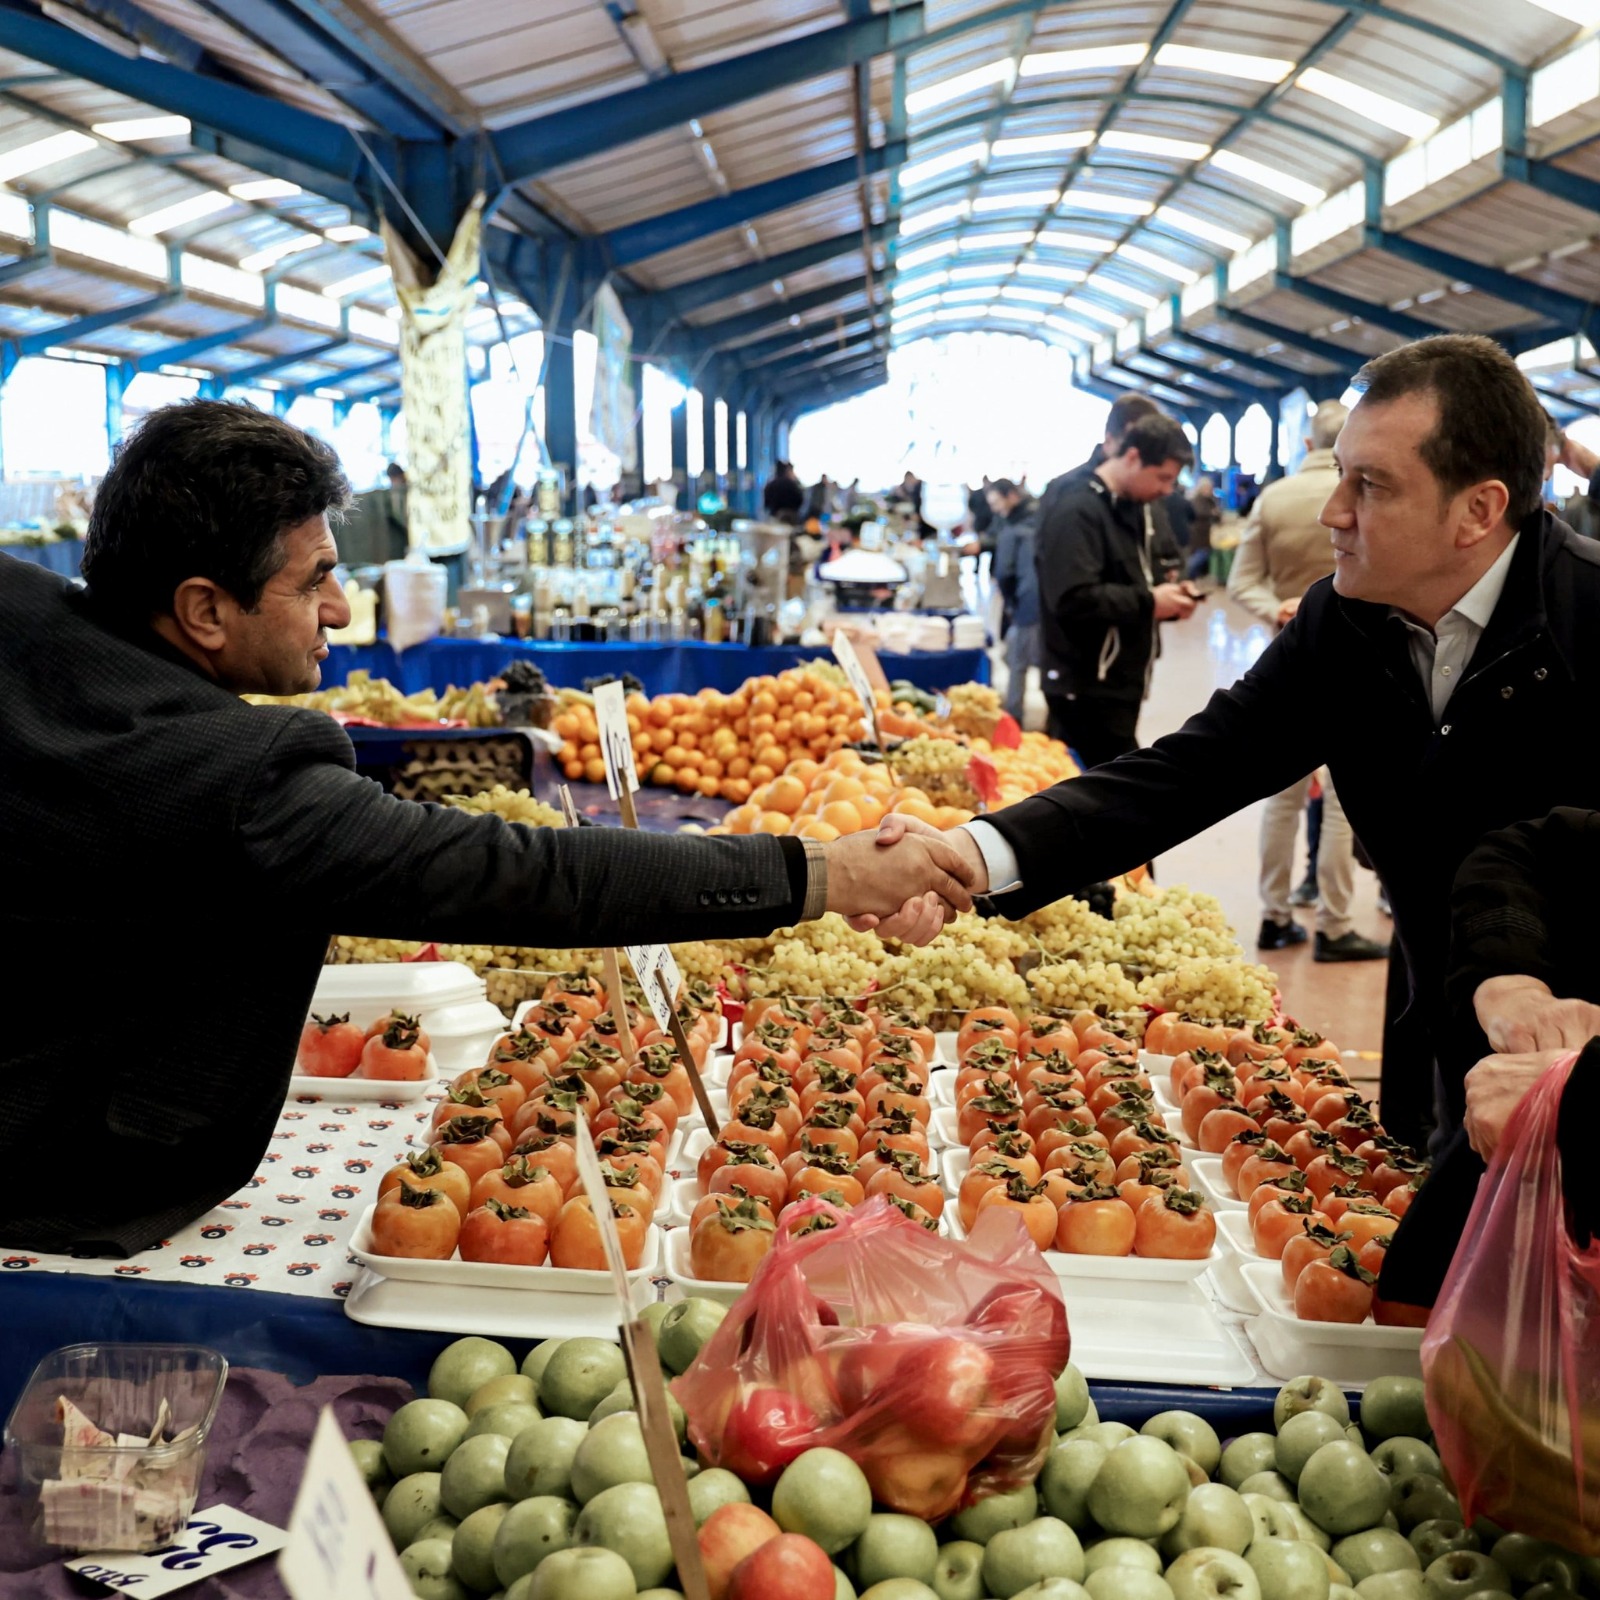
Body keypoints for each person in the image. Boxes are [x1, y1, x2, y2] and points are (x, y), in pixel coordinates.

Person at [0, 402, 979, 1255]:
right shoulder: (237, 776)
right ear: (204, 610)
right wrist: (820, 875)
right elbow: (515, 871)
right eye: (314, 581)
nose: (342, 608)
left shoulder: (25, 622)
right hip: (64, 1185)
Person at [880, 332, 1600, 1246]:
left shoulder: (1589, 626)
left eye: (1371, 486)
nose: (1333, 511)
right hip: (1435, 1025)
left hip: (1575, 1076)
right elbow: (1189, 770)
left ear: (1478, 510)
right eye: (1341, 474)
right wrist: (974, 853)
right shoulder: (1348, 624)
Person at [1229, 400, 1386, 964]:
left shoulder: (1274, 497)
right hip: (1363, 655)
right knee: (1344, 802)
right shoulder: (1374, 496)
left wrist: (1279, 610)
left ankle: (1273, 916)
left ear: (1303, 444)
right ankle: (1335, 923)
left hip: (1285, 657)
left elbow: (1241, 581)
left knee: (1281, 796)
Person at [1033, 412, 1197, 766]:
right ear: (1133, 456)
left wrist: (1166, 593)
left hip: (1117, 678)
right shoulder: (1077, 508)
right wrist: (1150, 601)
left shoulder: (1129, 506)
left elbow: (1132, 576)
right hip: (1086, 684)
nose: (1167, 490)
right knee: (1110, 795)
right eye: (1163, 477)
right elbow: (1072, 597)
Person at [988, 478, 1041, 724]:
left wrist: (1011, 602)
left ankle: (1013, 718)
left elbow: (1005, 572)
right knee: (1017, 655)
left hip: (1026, 601)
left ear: (1011, 495)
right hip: (1043, 599)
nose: (996, 509)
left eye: (997, 503)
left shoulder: (1015, 528)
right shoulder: (1041, 516)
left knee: (1017, 662)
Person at [1186, 476, 1221, 581]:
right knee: (1198, 557)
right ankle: (1187, 576)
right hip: (1197, 534)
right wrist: (1211, 513)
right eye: (1207, 488)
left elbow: (1217, 515)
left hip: (1207, 534)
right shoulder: (1196, 500)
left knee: (1203, 555)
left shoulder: (1210, 500)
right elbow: (1199, 513)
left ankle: (1192, 577)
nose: (1209, 490)